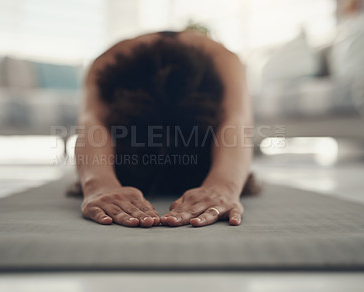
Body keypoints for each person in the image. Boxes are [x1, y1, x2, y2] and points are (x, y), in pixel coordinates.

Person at [72, 29, 258, 228]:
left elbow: (236, 122)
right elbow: (92, 125)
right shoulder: (109, 61)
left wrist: (224, 186)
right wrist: (99, 185)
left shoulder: (224, 60)